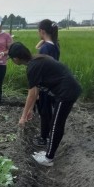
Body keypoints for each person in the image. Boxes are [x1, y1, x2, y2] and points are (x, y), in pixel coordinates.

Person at [8, 42, 82, 167]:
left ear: (16, 59)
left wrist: (23, 116)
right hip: (65, 91)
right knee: (55, 123)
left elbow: (31, 94)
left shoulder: (33, 66)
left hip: (66, 92)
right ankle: (48, 153)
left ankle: (48, 158)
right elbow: (36, 89)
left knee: (56, 124)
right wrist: (31, 109)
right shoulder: (37, 60)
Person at [34, 19, 61, 147]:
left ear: (42, 31)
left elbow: (41, 70)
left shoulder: (45, 48)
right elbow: (38, 46)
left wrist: (37, 90)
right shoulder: (55, 45)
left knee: (45, 112)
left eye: (39, 31)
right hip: (54, 83)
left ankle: (44, 138)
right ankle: (49, 134)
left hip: (45, 84)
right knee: (50, 111)